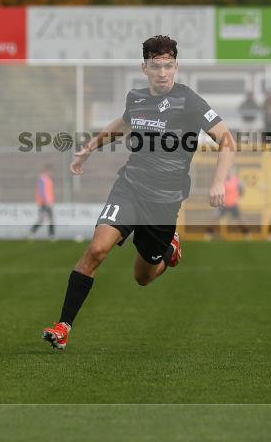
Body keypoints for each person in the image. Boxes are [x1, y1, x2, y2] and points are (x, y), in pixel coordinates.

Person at [41, 35, 235, 350]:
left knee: (142, 277)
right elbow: (122, 125)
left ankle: (168, 251)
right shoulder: (137, 98)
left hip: (163, 203)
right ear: (144, 68)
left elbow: (226, 139)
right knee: (96, 250)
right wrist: (88, 149)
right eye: (156, 66)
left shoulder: (191, 101)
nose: (163, 72)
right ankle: (63, 326)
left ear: (176, 67)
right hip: (129, 187)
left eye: (168, 66)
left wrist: (218, 181)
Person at [211, 167, 248, 237]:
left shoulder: (237, 181)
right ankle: (209, 233)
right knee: (215, 218)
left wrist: (240, 198)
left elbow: (242, 190)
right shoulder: (221, 181)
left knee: (240, 218)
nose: (228, 173)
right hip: (223, 204)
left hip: (233, 204)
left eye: (230, 171)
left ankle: (246, 233)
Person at [30, 164, 56, 238]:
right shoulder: (42, 178)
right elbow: (42, 191)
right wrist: (47, 201)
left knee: (50, 219)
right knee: (42, 219)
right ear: (47, 171)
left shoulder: (48, 179)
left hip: (48, 202)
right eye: (51, 171)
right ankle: (32, 232)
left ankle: (51, 235)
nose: (51, 173)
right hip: (44, 202)